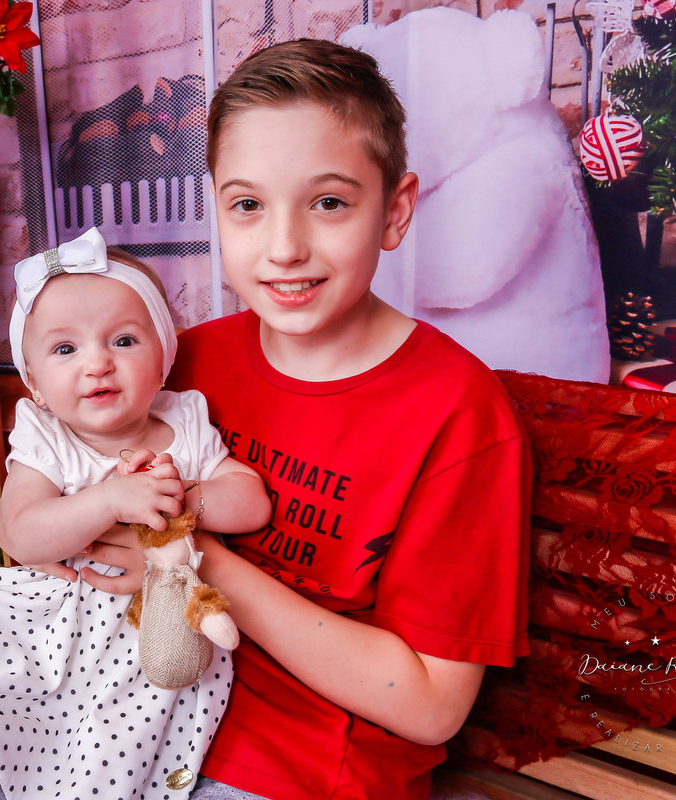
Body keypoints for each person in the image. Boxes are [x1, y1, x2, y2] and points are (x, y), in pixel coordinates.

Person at [162, 39, 531, 799]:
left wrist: (198, 560)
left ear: (395, 211)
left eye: (328, 202)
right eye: (247, 205)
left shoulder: (458, 412)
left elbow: (431, 707)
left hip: (301, 768)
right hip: (127, 719)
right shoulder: (182, 360)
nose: (284, 249)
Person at [0, 227, 273, 799]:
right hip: (54, 609)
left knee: (122, 718)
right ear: (36, 385)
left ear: (164, 358)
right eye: (66, 349)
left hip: (147, 622)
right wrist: (111, 500)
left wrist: (180, 497)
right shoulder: (48, 436)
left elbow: (252, 501)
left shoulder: (184, 420)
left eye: (124, 341)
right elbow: (17, 530)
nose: (98, 364)